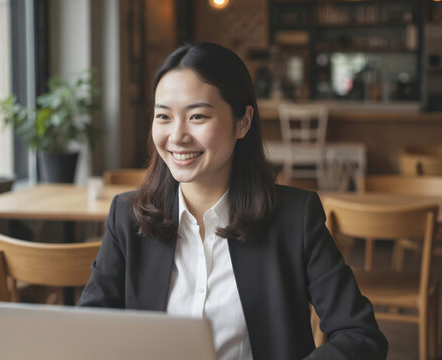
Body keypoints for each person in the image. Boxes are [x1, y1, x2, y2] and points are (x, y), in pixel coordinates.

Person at [78, 42, 387, 360]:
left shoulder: (296, 219)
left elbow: (359, 335)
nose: (177, 135)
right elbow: (87, 331)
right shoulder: (127, 218)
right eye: (164, 116)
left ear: (243, 122)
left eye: (197, 116)